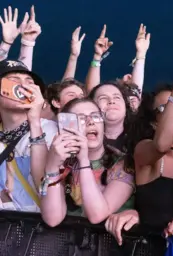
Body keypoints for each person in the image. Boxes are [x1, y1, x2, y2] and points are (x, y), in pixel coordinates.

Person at [105, 65, 173, 246]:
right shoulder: (144, 150)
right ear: (154, 124)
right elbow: (161, 145)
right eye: (167, 108)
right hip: (149, 253)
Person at [40, 98, 134, 226]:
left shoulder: (122, 162)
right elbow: (52, 219)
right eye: (81, 118)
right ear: (67, 127)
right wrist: (51, 167)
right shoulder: (62, 162)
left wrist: (83, 160)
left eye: (96, 116)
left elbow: (97, 215)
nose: (90, 122)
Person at [0, 59, 56, 211]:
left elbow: (45, 188)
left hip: (38, 229)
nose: (23, 86)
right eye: (13, 81)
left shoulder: (51, 130)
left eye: (29, 82)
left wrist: (34, 121)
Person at [89, 81, 135, 153]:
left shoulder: (139, 138)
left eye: (117, 97)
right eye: (103, 98)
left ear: (126, 106)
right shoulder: (85, 141)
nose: (111, 101)